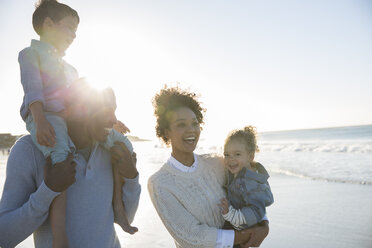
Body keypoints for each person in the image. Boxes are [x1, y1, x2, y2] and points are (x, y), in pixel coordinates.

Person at [18, 1, 135, 247]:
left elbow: (83, 101)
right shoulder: (30, 54)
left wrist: (110, 119)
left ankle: (118, 208)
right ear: (48, 24)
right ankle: (59, 234)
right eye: (69, 28)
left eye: (76, 31)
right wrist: (39, 120)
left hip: (66, 118)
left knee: (119, 146)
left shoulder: (70, 68)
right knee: (61, 158)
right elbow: (33, 90)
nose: (73, 36)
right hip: (45, 115)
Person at [0, 84, 141, 248]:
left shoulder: (109, 149)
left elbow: (126, 218)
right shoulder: (29, 150)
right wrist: (48, 190)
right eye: (105, 110)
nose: (114, 120)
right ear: (78, 110)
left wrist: (131, 176)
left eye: (114, 110)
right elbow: (4, 236)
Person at [148, 86, 269, 248]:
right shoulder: (160, 184)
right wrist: (243, 236)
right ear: (166, 132)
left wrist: (263, 225)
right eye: (181, 124)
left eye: (194, 123)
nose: (191, 130)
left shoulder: (217, 163)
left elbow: (250, 190)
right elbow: (191, 236)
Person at [219, 126, 274, 247]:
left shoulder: (251, 183)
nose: (230, 159)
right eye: (226, 154)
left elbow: (255, 213)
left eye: (237, 154)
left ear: (250, 156)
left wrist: (230, 214)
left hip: (241, 230)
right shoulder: (241, 171)